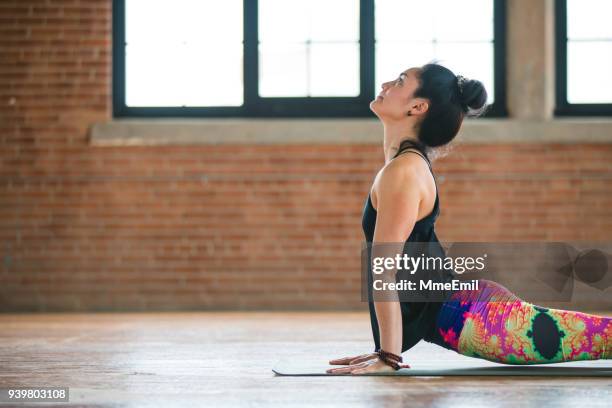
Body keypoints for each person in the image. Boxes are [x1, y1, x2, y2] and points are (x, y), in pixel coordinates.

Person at [327, 62, 611, 374]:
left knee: (604, 337)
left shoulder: (403, 172)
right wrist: (384, 352)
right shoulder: (404, 167)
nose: (384, 84)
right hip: (470, 311)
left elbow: (384, 272)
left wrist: (388, 357)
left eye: (399, 81)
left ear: (418, 106)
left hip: (479, 319)